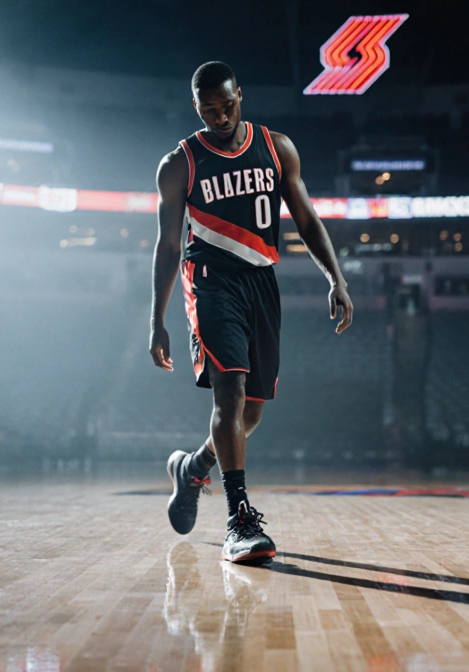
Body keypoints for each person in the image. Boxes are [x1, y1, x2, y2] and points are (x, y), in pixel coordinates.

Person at [149, 61, 353, 564]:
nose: (220, 117)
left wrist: (336, 277)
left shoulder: (276, 147)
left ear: (242, 94)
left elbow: (305, 217)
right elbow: (168, 244)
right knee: (231, 392)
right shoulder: (180, 163)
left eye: (228, 106)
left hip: (261, 281)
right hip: (211, 282)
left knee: (252, 411)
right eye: (209, 110)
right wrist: (157, 318)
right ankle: (240, 519)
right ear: (196, 108)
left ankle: (194, 467)